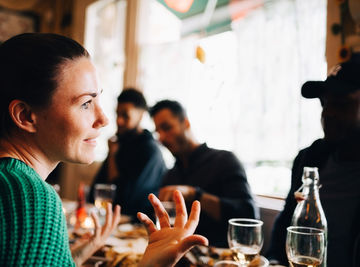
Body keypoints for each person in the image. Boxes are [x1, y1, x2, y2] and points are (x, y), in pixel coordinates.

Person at [0, 33, 207, 267]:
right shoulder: (26, 196)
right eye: (86, 103)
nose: (103, 119)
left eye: (99, 101)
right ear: (25, 116)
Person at [267, 55, 360, 267]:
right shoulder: (310, 158)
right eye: (325, 103)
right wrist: (273, 260)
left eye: (342, 104)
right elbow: (286, 221)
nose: (328, 113)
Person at [149, 100, 259, 247]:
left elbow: (248, 215)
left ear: (186, 123)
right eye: (158, 132)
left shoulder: (224, 161)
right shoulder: (171, 175)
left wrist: (194, 194)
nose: (161, 138)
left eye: (167, 128)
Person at [89, 88, 166, 218]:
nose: (119, 121)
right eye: (117, 114)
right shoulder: (120, 144)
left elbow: (125, 199)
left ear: (141, 115)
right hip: (112, 220)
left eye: (125, 115)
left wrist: (112, 156)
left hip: (136, 224)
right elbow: (96, 191)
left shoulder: (150, 151)